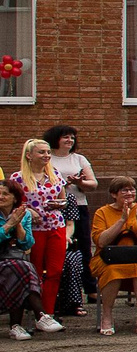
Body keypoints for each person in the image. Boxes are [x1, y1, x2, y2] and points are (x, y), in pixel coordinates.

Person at [8, 138, 72, 335]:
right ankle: (36, 313)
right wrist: (27, 211)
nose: (46, 156)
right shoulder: (18, 178)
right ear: (29, 155)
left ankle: (48, 313)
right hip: (32, 229)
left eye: (47, 152)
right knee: (34, 271)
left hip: (55, 226)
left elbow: (64, 200)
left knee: (54, 271)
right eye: (41, 152)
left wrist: (58, 205)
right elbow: (12, 203)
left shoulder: (55, 176)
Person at [39, 124, 96, 323]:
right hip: (51, 209)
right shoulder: (48, 157)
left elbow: (93, 183)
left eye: (72, 137)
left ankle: (88, 289)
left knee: (82, 249)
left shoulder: (78, 159)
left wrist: (79, 182)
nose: (69, 140)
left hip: (77, 205)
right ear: (55, 139)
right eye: (65, 137)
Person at [89, 176, 137, 335]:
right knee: (112, 271)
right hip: (109, 260)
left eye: (132, 189)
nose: (129, 193)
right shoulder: (102, 212)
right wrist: (121, 220)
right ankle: (106, 316)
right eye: (124, 190)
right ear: (114, 194)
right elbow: (101, 241)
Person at [0, 182, 40, 339]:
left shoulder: (25, 215)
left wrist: (18, 226)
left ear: (15, 198)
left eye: (5, 194)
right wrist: (10, 224)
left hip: (12, 260)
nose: (1, 197)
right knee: (22, 268)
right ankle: (40, 315)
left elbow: (27, 244)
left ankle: (17, 326)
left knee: (19, 268)